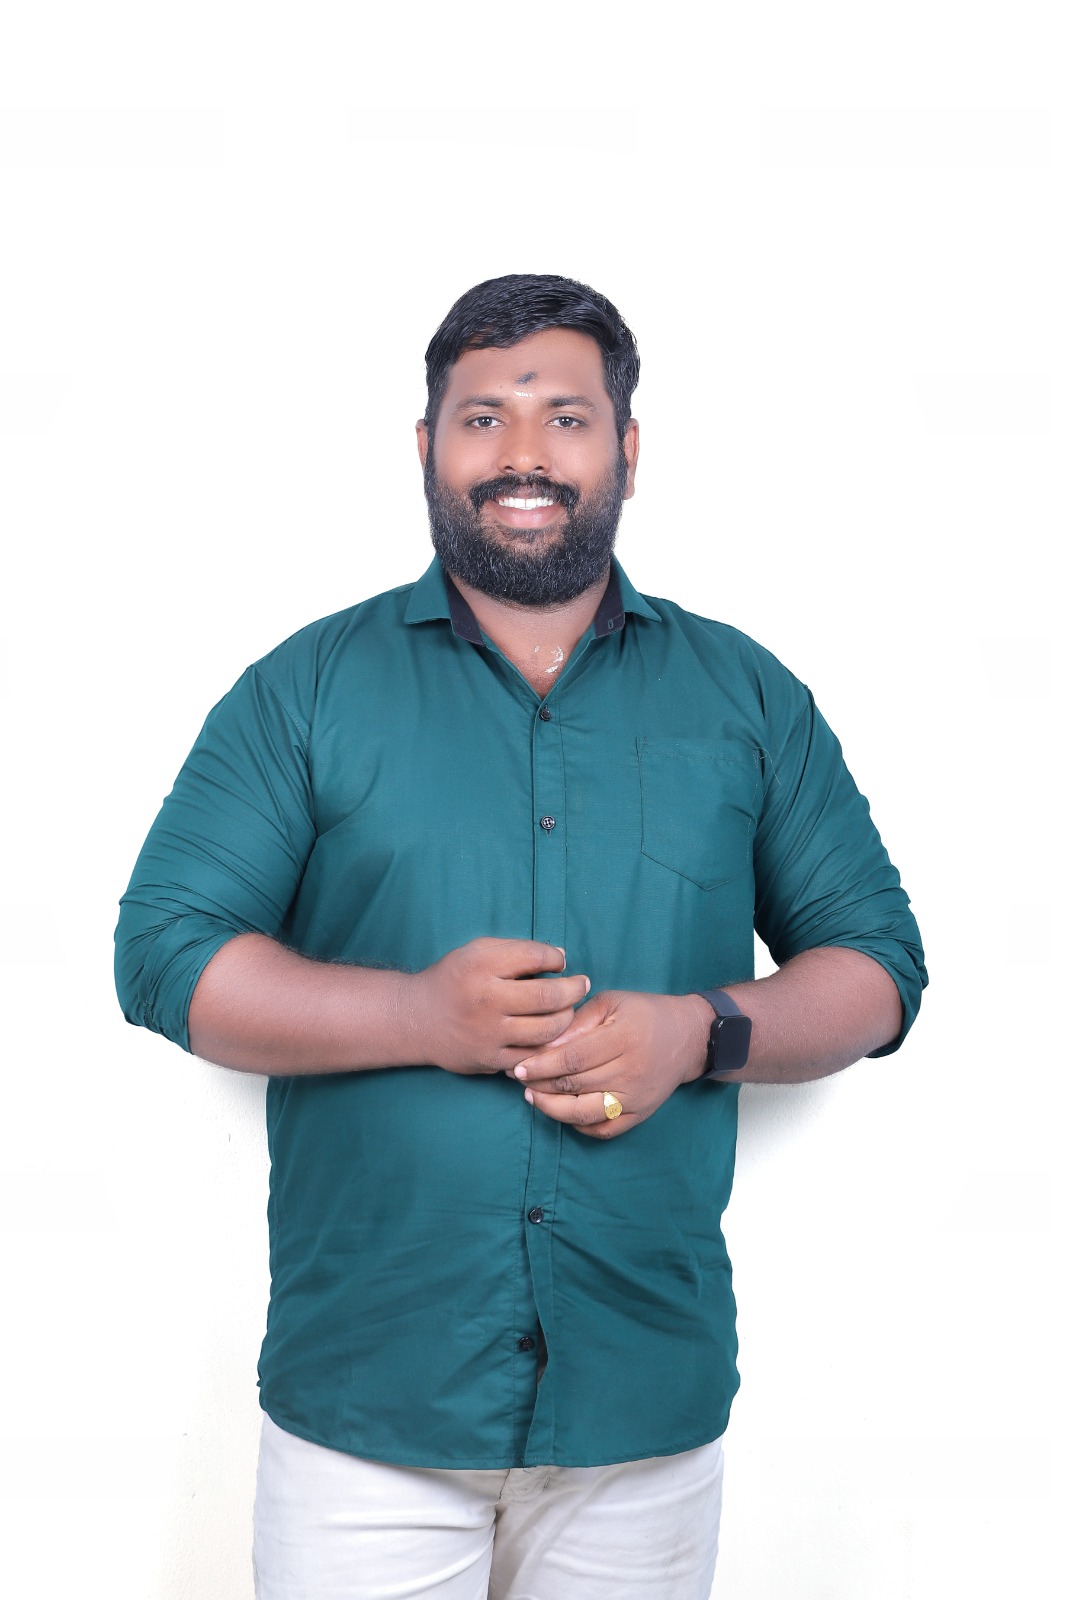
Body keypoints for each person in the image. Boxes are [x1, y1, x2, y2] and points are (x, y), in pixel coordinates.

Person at [115, 273, 926, 1600]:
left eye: (566, 417)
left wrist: (700, 1032)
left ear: (628, 448)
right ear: (426, 447)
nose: (524, 454)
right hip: (369, 1407)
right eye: (483, 418)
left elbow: (877, 965)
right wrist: (411, 1016)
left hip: (641, 1401)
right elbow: (163, 951)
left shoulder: (745, 696)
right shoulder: (304, 690)